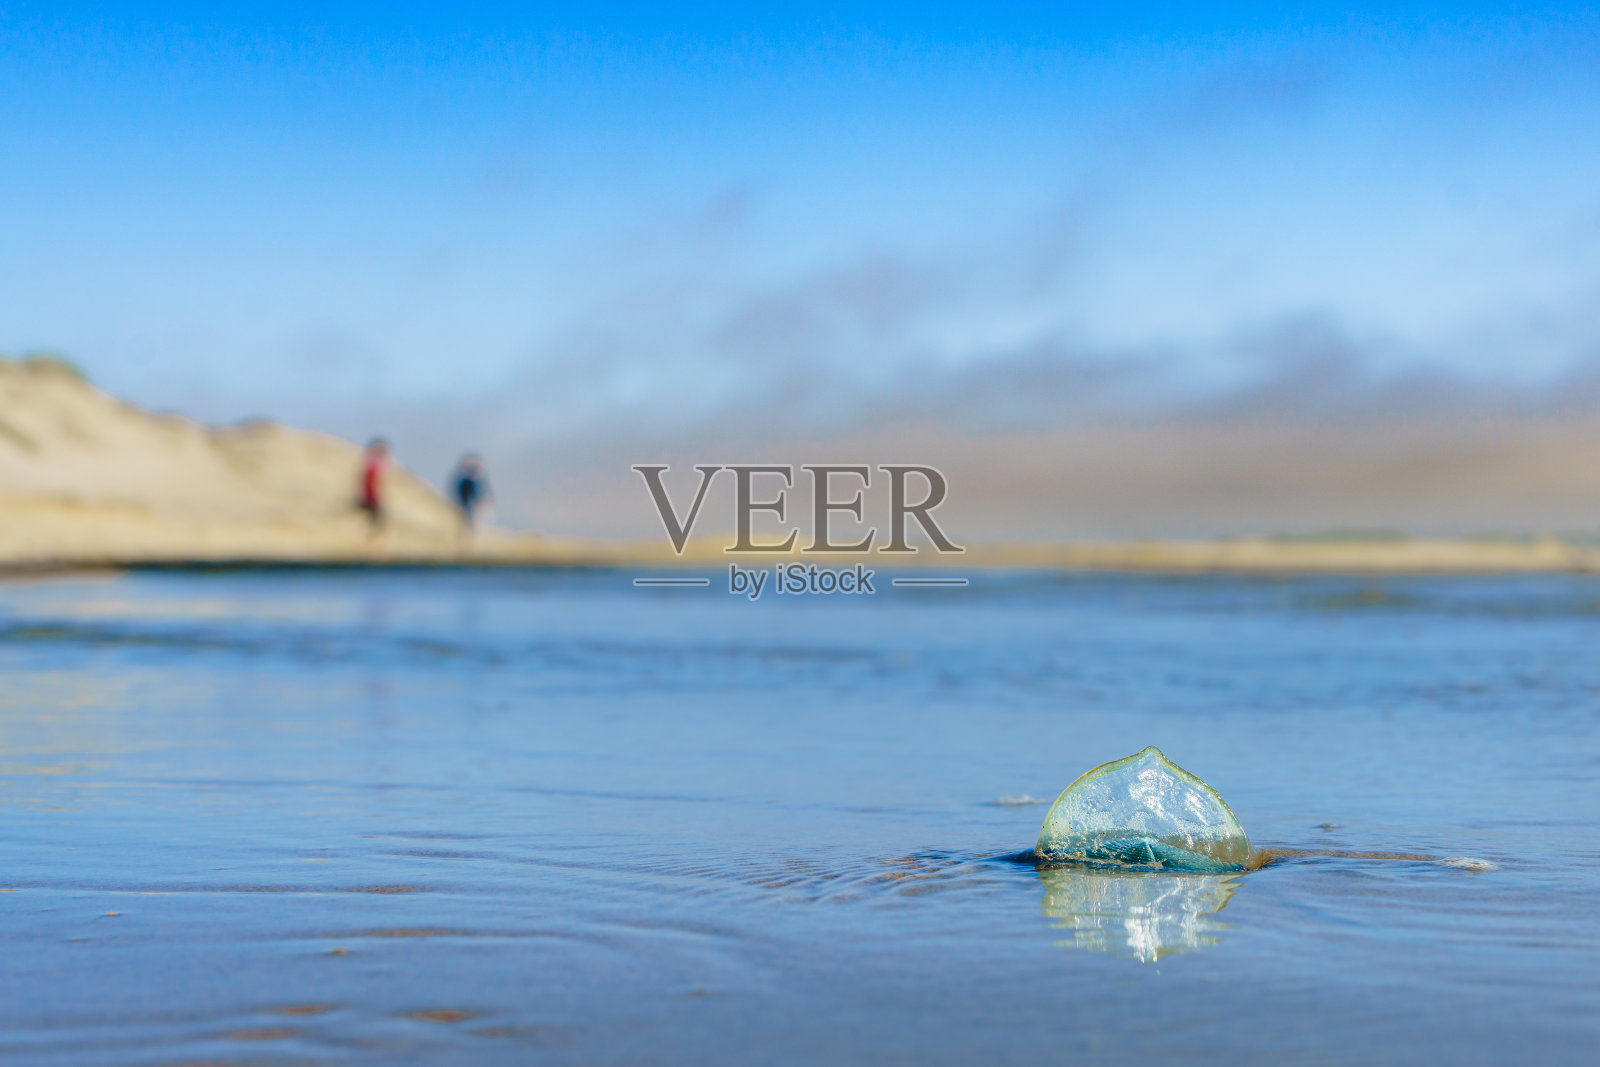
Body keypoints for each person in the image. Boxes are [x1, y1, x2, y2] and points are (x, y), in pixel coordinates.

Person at [450, 452, 492, 527]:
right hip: (466, 491)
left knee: (468, 511)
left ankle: (468, 524)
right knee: (465, 510)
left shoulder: (472, 480)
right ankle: (466, 524)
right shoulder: (465, 481)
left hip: (469, 491)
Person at [358, 438, 389, 534]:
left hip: (370, 496)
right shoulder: (376, 464)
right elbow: (371, 482)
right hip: (372, 497)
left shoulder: (373, 462)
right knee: (375, 520)